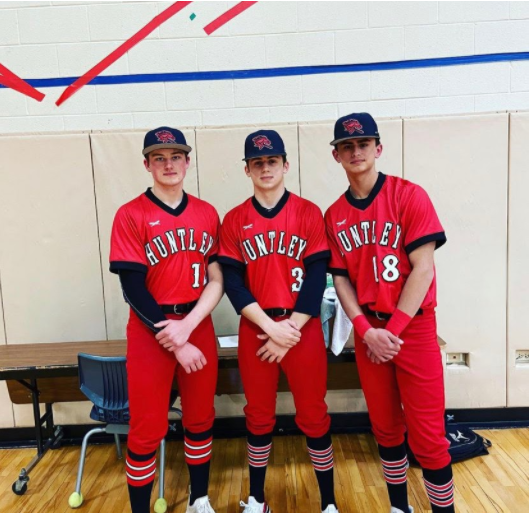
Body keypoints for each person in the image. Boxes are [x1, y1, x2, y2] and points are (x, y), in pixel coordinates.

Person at [325, 113, 454, 513]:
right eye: (347, 146)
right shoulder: (334, 215)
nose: (356, 151)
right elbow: (341, 281)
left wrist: (391, 332)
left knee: (429, 436)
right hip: (371, 333)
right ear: (336, 156)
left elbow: (424, 267)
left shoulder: (408, 195)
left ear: (378, 148)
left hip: (410, 329)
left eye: (363, 143)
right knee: (385, 428)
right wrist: (365, 330)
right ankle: (400, 507)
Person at [219, 129, 339, 513]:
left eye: (272, 161)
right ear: (247, 170)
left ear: (285, 165)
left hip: (301, 328)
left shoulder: (307, 212)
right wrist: (271, 329)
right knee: (257, 415)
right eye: (258, 163)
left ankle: (329, 503)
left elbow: (318, 276)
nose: (265, 168)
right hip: (258, 329)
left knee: (314, 413)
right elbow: (233, 285)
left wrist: (290, 328)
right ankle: (256, 499)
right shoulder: (235, 219)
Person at [109, 127, 223, 513]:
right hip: (151, 330)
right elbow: (132, 288)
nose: (168, 164)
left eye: (176, 156)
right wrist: (175, 338)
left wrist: (188, 328)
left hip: (195, 323)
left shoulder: (207, 213)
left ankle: (199, 499)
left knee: (200, 416)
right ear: (147, 164)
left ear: (188, 162)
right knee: (146, 428)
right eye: (159, 157)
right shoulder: (130, 214)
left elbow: (216, 278)